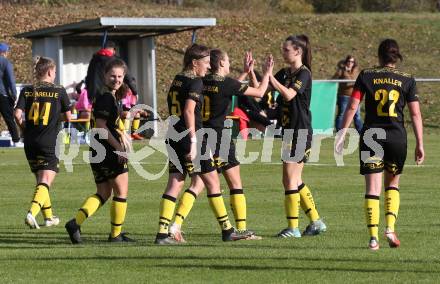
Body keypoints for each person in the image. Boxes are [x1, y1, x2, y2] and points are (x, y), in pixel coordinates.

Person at [167, 49, 274, 242]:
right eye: (228, 60)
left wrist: (244, 73)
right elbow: (258, 94)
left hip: (202, 136)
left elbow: (225, 87)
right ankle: (240, 229)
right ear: (222, 64)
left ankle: (175, 225)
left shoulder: (202, 81)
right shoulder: (226, 84)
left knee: (198, 184)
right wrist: (266, 73)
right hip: (220, 138)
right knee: (234, 184)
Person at [335, 39, 424, 250]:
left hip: (371, 136)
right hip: (396, 137)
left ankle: (373, 238)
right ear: (397, 56)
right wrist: (420, 143)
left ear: (379, 56)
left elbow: (352, 107)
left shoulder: (366, 75)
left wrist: (341, 133)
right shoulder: (407, 79)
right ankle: (390, 229)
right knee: (392, 185)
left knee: (372, 189)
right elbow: (416, 114)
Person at [154, 43, 247, 245]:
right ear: (194, 63)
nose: (207, 66)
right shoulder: (195, 82)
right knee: (212, 183)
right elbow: (188, 111)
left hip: (173, 136)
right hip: (191, 138)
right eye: (205, 62)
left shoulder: (178, 79)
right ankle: (227, 230)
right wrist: (194, 141)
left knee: (175, 184)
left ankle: (162, 234)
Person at [65, 58, 135, 244]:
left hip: (97, 151)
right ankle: (115, 235)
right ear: (104, 75)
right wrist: (119, 148)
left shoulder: (106, 96)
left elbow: (105, 122)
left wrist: (121, 120)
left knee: (103, 192)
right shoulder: (106, 97)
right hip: (108, 150)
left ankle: (75, 223)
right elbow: (102, 126)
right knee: (121, 193)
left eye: (120, 76)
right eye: (112, 75)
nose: (116, 79)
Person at [268, 34, 327, 238]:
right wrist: (251, 74)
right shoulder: (285, 72)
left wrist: (270, 77)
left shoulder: (304, 74)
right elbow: (266, 86)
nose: (283, 52)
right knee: (292, 180)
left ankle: (293, 228)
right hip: (288, 132)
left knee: (290, 179)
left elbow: (289, 94)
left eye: (286, 49)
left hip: (301, 132)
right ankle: (316, 221)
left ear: (298, 51)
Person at [14, 56, 71, 229]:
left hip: (30, 141)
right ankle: (32, 213)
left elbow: (16, 114)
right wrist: (55, 120)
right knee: (46, 180)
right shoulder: (59, 90)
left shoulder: (27, 90)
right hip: (48, 141)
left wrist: (24, 128)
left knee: (41, 180)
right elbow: (68, 116)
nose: (55, 74)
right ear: (49, 71)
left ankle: (49, 218)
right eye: (54, 71)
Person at [333, 55, 363, 133]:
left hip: (355, 96)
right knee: (341, 114)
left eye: (352, 61)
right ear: (346, 62)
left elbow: (357, 81)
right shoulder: (341, 71)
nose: (350, 63)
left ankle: (361, 131)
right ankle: (339, 131)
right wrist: (342, 71)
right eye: (349, 61)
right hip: (344, 96)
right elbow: (333, 79)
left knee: (357, 115)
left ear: (354, 63)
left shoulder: (356, 71)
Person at [0, 42, 21, 147]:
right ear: (4, 52)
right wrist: (14, 94)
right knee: (9, 119)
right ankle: (16, 140)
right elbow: (10, 80)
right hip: (2, 94)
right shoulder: (5, 62)